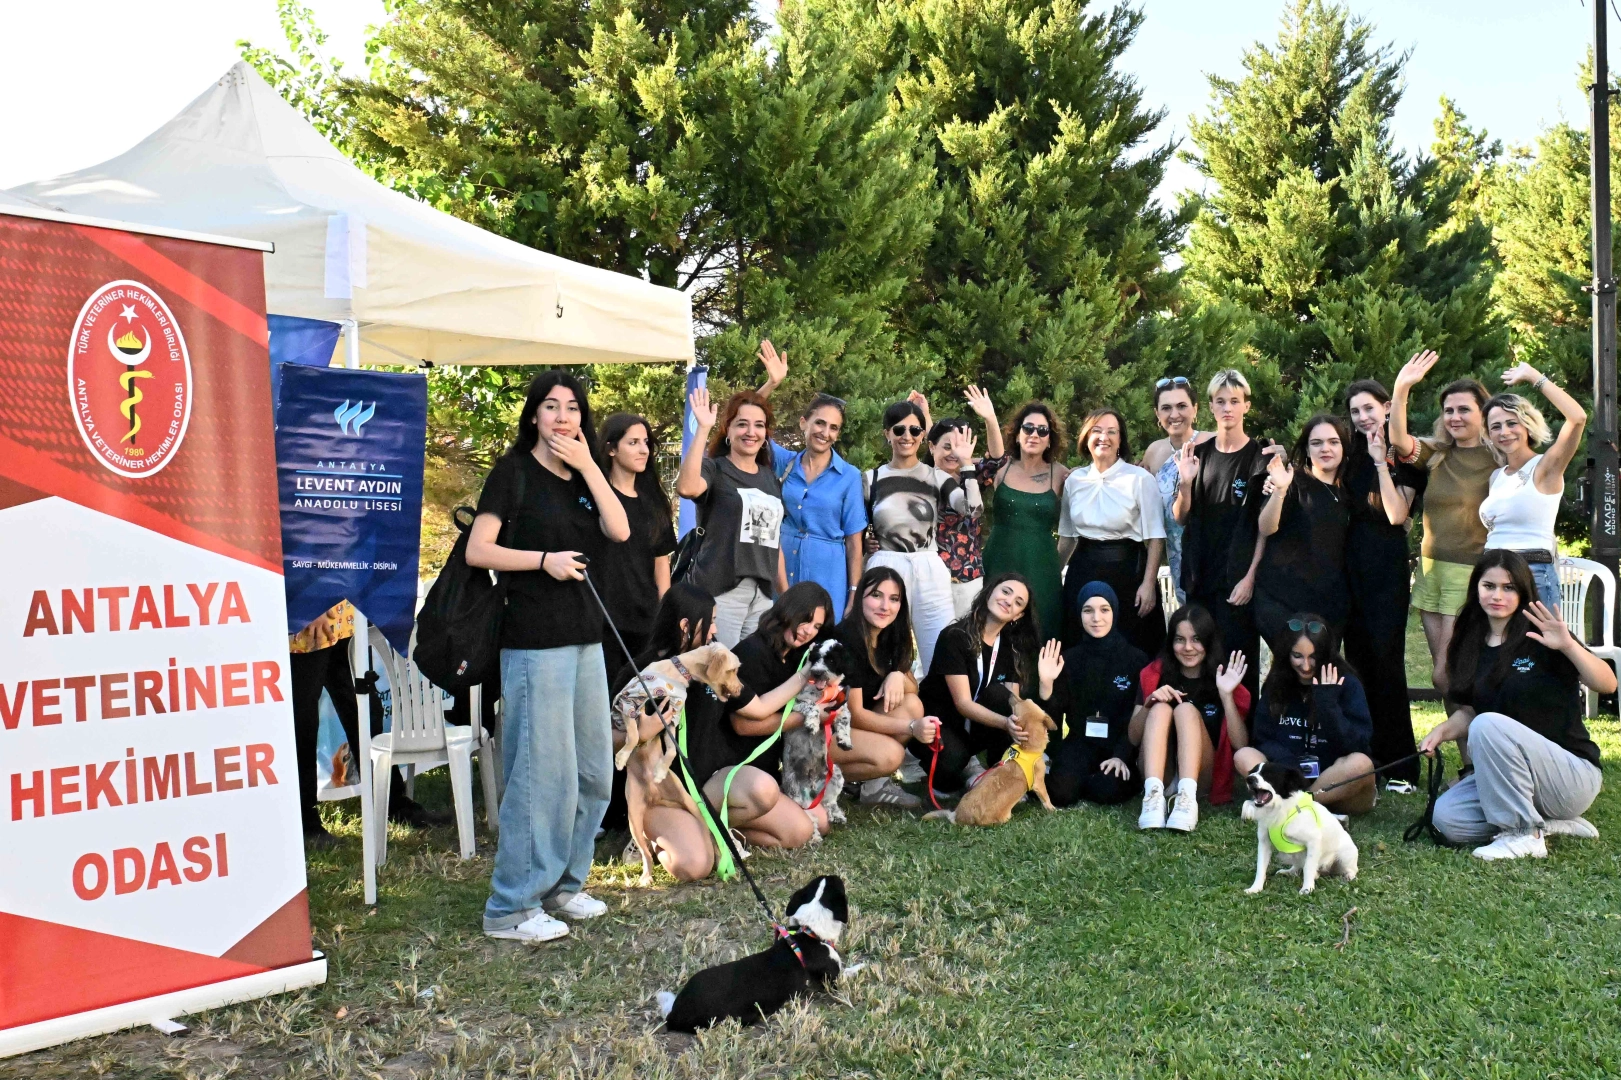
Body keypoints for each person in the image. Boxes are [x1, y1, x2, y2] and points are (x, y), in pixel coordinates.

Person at [466, 371, 630, 943]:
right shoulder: (512, 473)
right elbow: (478, 549)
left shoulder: (583, 475)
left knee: (592, 771)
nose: (563, 417)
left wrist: (589, 465)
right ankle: (511, 907)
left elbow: (619, 529)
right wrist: (542, 560)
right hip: (534, 642)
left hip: (586, 638)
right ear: (533, 415)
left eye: (573, 408)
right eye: (552, 407)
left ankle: (562, 885)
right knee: (542, 777)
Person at [621, 585, 822, 882]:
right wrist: (641, 732)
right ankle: (652, 836)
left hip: (710, 785)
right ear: (685, 626)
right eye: (711, 621)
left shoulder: (713, 663)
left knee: (798, 830)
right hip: (665, 794)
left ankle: (713, 832)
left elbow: (759, 708)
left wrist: (806, 675)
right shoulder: (643, 672)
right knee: (695, 866)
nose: (715, 629)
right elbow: (606, 739)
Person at [1422, 550, 1611, 860]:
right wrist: (1441, 732)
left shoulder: (1543, 634)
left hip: (1570, 776)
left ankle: (1524, 834)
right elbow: (1471, 711)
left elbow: (1607, 683)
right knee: (1446, 819)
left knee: (1487, 724)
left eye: (1508, 588)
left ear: (1523, 591)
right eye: (1489, 586)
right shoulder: (1469, 640)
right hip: (1512, 777)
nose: (1497, 595)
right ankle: (1549, 824)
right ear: (1476, 588)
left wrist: (1568, 646)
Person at [289, 602, 439, 849]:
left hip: (343, 617)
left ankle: (392, 803)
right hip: (307, 618)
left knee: (366, 711)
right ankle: (306, 824)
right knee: (302, 725)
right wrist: (310, 607)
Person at [1389, 350, 1495, 696]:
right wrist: (1401, 389)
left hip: (1468, 571)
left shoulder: (1498, 457)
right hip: (1430, 571)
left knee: (1445, 673)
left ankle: (1477, 728)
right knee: (1447, 678)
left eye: (1464, 409)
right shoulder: (1437, 453)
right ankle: (1467, 732)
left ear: (1483, 413)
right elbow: (1398, 440)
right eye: (1449, 410)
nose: (1455, 417)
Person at [1342, 379, 1424, 790]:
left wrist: (1380, 463)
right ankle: (1366, 759)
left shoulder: (1404, 455)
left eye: (1369, 409)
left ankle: (1401, 766)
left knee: (1386, 663)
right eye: (1355, 411)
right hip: (1347, 568)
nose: (1362, 418)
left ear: (1387, 407)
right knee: (1355, 663)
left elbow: (1396, 515)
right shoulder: (1346, 453)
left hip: (1385, 570)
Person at [909, 572, 1058, 796]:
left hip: (976, 726)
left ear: (1018, 615)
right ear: (989, 592)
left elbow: (1013, 704)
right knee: (951, 764)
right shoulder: (954, 636)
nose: (1009, 601)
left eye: (1018, 602)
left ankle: (1002, 771)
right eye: (1006, 592)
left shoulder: (1009, 646)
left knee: (1004, 698)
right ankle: (957, 769)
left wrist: (1044, 687)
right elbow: (963, 704)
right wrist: (1005, 723)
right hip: (941, 722)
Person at [1172, 370, 1271, 699]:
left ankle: (1241, 731)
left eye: (1234, 401)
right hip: (1200, 579)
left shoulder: (1260, 457)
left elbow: (1264, 527)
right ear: (1210, 407)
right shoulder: (1198, 454)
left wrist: (1251, 577)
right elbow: (1180, 516)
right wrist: (1185, 483)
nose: (1227, 408)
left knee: (1238, 668)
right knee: (1198, 665)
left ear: (1246, 406)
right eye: (1220, 401)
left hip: (1238, 583)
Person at [863, 399, 970, 671]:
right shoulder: (870, 479)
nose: (907, 436)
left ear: (923, 435)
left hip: (928, 565)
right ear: (887, 433)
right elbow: (855, 528)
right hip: (885, 564)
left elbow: (972, 509)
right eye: (899, 430)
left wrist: (966, 463)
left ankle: (939, 699)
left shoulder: (937, 477)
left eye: (914, 430)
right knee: (879, 652)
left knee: (941, 650)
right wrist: (865, 542)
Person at [677, 387, 789, 647]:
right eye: (742, 424)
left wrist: (785, 595)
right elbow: (687, 488)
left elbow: (773, 542)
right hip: (720, 591)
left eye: (759, 425)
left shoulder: (770, 479)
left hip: (762, 596)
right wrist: (703, 428)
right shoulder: (715, 468)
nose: (751, 432)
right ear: (728, 430)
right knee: (717, 668)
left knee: (749, 669)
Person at [1234, 615, 1376, 815]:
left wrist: (1327, 704)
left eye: (1314, 656)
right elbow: (1262, 739)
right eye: (1298, 656)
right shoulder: (1277, 683)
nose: (1306, 666)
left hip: (1335, 785)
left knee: (1361, 764)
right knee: (1244, 755)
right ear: (1287, 653)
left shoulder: (1348, 683)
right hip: (1290, 777)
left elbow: (1357, 745)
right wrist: (1290, 764)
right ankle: (1304, 809)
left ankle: (1297, 807)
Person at [1133, 604, 1250, 833]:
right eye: (1180, 639)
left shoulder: (1222, 678)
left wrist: (1226, 696)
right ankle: (1153, 799)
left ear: (1208, 641)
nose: (1188, 648)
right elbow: (1133, 737)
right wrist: (1149, 703)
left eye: (1196, 639)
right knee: (1160, 708)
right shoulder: (1155, 673)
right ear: (1171, 643)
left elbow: (1240, 744)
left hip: (1201, 776)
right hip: (1161, 771)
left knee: (1185, 710)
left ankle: (1186, 801)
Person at [1479, 362, 1587, 609]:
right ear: (1489, 435)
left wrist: (1534, 377)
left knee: (1537, 636)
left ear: (1527, 425)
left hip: (1532, 573)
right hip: (1492, 573)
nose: (1504, 432)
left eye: (1512, 423)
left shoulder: (1545, 468)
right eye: (1496, 426)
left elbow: (1578, 418)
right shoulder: (1496, 476)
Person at [1058, 408, 1166, 655]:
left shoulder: (1140, 479)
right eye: (1096, 431)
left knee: (1133, 647)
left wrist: (1149, 584)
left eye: (1111, 432)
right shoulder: (1074, 481)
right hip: (1083, 570)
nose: (1103, 437)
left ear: (1120, 440)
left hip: (1129, 572)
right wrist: (1053, 579)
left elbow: (1156, 538)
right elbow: (1067, 538)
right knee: (1080, 646)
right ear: (1086, 437)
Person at [833, 567, 939, 808]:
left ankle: (874, 788)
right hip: (823, 730)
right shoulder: (847, 638)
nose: (885, 606)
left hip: (855, 727)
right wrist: (912, 728)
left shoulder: (889, 634)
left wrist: (897, 674)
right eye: (876, 595)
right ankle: (818, 780)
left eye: (894, 599)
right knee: (891, 755)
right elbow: (855, 715)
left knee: (911, 704)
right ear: (860, 597)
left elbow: (912, 689)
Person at [1252, 414, 1352, 648]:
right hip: (1283, 602)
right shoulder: (1292, 481)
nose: (1325, 448)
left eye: (1333, 442)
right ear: (1306, 449)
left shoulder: (1349, 490)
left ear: (1343, 447)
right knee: (1292, 666)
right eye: (1316, 443)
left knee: (1323, 668)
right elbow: (1266, 527)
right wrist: (1280, 490)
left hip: (1329, 605)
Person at [1045, 582, 1147, 807]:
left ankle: (1092, 779)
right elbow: (1055, 715)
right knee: (1061, 794)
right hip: (1080, 743)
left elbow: (1137, 717)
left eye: (1104, 609)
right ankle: (1079, 777)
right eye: (1088, 610)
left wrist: (1122, 755)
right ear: (1079, 614)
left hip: (1118, 745)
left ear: (1115, 612)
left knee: (1106, 790)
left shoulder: (1135, 659)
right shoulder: (1069, 659)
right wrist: (1047, 684)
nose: (1096, 618)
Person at [596, 412, 678, 681]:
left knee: (638, 696)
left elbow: (661, 562)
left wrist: (665, 614)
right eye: (633, 443)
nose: (643, 450)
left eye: (646, 442)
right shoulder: (595, 496)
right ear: (611, 448)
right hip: (602, 619)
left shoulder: (654, 502)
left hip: (645, 619)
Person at [983, 402, 1069, 642]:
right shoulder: (1000, 468)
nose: (1034, 434)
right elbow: (951, 462)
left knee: (1042, 631)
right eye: (1028, 428)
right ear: (1017, 434)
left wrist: (1055, 566)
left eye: (1042, 430)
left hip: (1042, 568)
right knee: (992, 629)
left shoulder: (1061, 474)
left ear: (1050, 440)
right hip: (998, 561)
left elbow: (1072, 531)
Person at [930, 387, 1006, 618]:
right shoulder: (921, 477)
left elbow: (996, 459)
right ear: (931, 446)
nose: (953, 453)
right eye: (947, 446)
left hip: (966, 575)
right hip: (929, 574)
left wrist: (990, 418)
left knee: (965, 635)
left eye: (959, 447)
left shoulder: (970, 474)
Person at [1139, 376, 1212, 606]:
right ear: (1157, 414)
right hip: (1178, 560)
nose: (1174, 414)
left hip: (1213, 558)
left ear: (1195, 409)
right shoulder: (1154, 452)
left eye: (1182, 406)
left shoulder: (1213, 443)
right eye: (1166, 408)